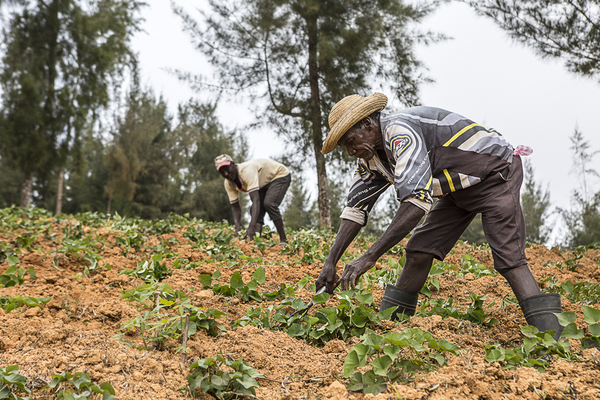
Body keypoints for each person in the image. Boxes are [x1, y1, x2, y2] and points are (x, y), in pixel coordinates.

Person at [315, 93, 564, 339]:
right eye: (345, 147)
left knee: (509, 259)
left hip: (495, 174)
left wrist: (369, 257)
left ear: (368, 125)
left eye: (350, 141)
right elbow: (355, 210)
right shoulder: (370, 159)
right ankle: (390, 329)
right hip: (456, 188)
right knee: (420, 250)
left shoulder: (400, 133)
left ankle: (551, 338)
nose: (350, 151)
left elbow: (415, 204)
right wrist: (330, 262)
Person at [215, 154, 291, 244]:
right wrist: (237, 227)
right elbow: (235, 206)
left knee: (269, 204)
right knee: (254, 211)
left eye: (227, 169)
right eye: (222, 172)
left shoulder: (246, 171)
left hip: (278, 175)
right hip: (262, 182)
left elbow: (256, 200)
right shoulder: (228, 184)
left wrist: (251, 226)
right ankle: (255, 242)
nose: (226, 174)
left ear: (233, 164)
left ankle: (283, 240)